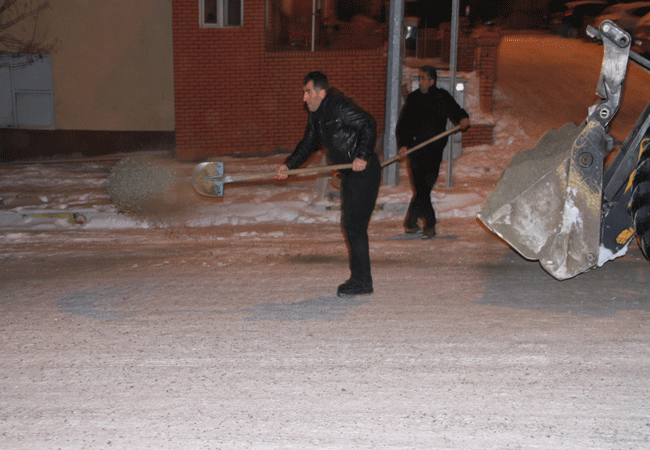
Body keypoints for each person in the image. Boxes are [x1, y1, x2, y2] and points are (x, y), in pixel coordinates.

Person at [277, 71, 381, 298]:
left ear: (321, 93)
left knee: (354, 226)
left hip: (363, 171)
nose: (304, 97)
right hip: (349, 174)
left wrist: (362, 156)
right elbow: (308, 144)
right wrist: (289, 164)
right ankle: (361, 280)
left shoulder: (339, 107)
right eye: (304, 92)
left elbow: (368, 123)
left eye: (308, 92)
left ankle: (362, 281)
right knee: (352, 226)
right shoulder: (317, 116)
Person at [396, 65, 470, 239]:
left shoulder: (442, 97)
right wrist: (403, 145)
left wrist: (463, 118)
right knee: (421, 189)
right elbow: (403, 125)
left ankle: (411, 222)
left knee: (424, 189)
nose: (420, 81)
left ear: (431, 81)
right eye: (419, 78)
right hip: (415, 152)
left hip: (434, 152)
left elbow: (456, 110)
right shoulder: (413, 99)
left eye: (423, 78)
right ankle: (430, 224)